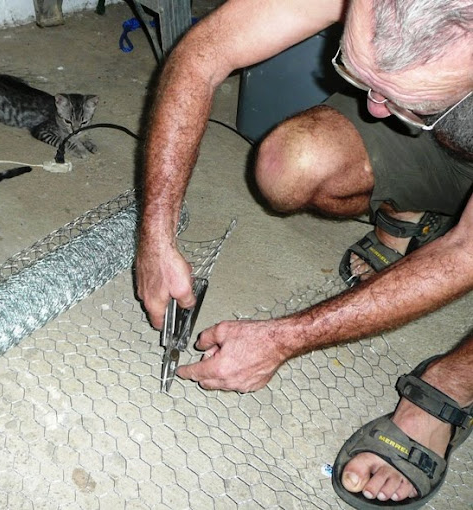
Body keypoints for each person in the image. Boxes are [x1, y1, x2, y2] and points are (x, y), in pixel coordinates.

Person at [135, 0, 473, 507]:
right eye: (357, 73)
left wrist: (284, 339)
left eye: (403, 102)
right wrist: (155, 236)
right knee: (288, 166)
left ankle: (452, 386)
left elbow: (466, 252)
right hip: (447, 140)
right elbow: (202, 54)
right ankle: (409, 205)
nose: (373, 110)